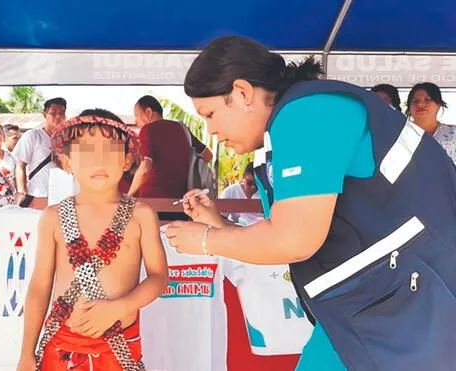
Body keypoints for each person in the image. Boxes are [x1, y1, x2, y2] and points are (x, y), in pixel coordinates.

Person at [164, 35, 456, 371]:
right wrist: (219, 224)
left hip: (410, 307)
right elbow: (286, 240)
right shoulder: (302, 117)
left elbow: (294, 240)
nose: (210, 130)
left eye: (210, 113)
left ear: (243, 93)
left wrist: (204, 241)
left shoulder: (309, 113)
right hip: (375, 305)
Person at [17, 114, 168, 371]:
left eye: (110, 152)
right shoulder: (52, 218)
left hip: (120, 346)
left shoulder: (141, 215)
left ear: (127, 161)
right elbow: (40, 287)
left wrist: (120, 307)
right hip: (61, 343)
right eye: (87, 153)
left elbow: (159, 277)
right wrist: (26, 353)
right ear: (66, 162)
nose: (99, 161)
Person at [128, 95, 212, 221]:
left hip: (153, 205)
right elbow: (208, 155)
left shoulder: (148, 130)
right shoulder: (182, 129)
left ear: (148, 112)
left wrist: (128, 195)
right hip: (181, 205)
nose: (136, 122)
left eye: (136, 115)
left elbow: (145, 168)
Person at [13, 97, 66, 208]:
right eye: (53, 113)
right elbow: (20, 164)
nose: (58, 117)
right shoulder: (33, 135)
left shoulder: (67, 139)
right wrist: (22, 191)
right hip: (37, 194)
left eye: (61, 113)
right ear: (44, 114)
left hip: (61, 195)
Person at [405, 82, 456, 163]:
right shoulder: (400, 135)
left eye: (427, 99)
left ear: (438, 105)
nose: (420, 104)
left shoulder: (453, 134)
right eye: (415, 101)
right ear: (409, 107)